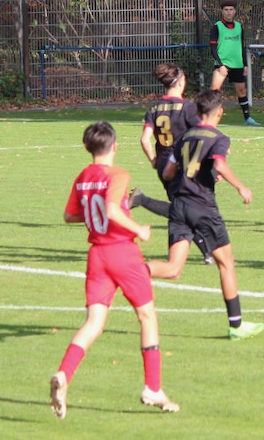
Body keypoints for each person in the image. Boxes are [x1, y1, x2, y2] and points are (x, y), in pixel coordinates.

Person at [49, 121, 178, 419]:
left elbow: (69, 215)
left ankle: (64, 374)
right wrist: (138, 229)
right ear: (115, 146)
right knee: (147, 316)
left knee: (93, 323)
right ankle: (153, 388)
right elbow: (110, 209)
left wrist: (93, 214)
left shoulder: (83, 177)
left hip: (96, 256)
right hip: (122, 253)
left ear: (88, 148)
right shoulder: (118, 174)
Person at [148, 89, 264, 340]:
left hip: (179, 205)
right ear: (219, 113)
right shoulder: (218, 137)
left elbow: (168, 172)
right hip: (202, 207)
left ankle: (130, 271)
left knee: (173, 269)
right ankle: (236, 326)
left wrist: (201, 174)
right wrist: (240, 186)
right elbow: (220, 163)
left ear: (197, 111)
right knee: (226, 263)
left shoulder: (184, 137)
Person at [132, 62, 213, 264]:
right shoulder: (187, 108)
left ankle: (208, 253)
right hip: (181, 166)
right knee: (186, 209)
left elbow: (144, 139)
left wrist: (153, 159)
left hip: (163, 165)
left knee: (182, 209)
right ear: (180, 82)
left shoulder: (154, 108)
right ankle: (142, 200)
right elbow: (202, 134)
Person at [210, 0, 260, 126]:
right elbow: (213, 48)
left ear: (234, 11)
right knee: (214, 91)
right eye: (226, 10)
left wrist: (245, 64)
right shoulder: (217, 26)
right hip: (222, 64)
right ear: (222, 11)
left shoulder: (239, 26)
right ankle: (209, 117)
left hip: (238, 64)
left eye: (231, 10)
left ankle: (247, 118)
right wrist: (220, 65)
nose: (228, 12)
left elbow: (242, 47)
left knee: (242, 91)